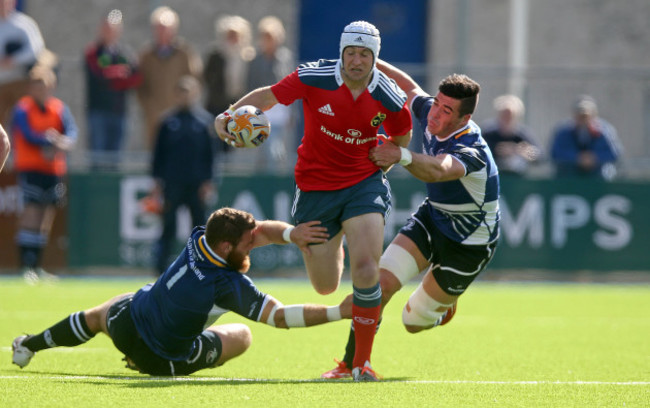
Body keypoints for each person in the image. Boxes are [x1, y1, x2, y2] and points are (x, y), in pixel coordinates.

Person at [215, 21, 413, 381]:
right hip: (315, 188)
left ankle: (360, 363)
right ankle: (334, 240)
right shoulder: (313, 77)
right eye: (351, 53)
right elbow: (267, 96)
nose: (356, 60)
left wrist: (392, 150)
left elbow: (402, 134)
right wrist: (225, 117)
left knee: (368, 269)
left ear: (374, 58)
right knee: (325, 286)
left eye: (364, 54)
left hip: (363, 182)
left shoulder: (389, 95)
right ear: (341, 54)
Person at [12, 207, 351, 376]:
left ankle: (28, 345)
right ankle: (146, 357)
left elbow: (261, 231)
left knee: (103, 312)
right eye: (248, 244)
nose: (254, 244)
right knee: (243, 334)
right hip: (159, 358)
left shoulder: (201, 237)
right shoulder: (226, 285)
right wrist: (340, 311)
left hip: (126, 322)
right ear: (226, 245)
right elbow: (280, 317)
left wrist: (293, 235)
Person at [321, 64, 500, 380]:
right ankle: (352, 365)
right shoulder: (431, 110)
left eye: (446, 111)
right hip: (433, 219)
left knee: (412, 323)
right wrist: (371, 61)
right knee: (377, 287)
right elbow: (408, 86)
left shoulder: (472, 149)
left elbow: (439, 170)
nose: (435, 115)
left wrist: (400, 155)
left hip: (469, 243)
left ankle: (442, 303)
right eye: (437, 104)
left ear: (464, 119)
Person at [10, 66, 77, 282]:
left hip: (53, 170)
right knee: (31, 214)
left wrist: (59, 142)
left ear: (51, 87)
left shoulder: (59, 108)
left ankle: (37, 267)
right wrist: (50, 140)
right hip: (31, 168)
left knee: (45, 219)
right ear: (31, 88)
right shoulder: (22, 109)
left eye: (44, 87)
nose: (40, 91)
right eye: (36, 87)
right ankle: (25, 266)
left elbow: (71, 133)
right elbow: (28, 135)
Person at [150, 75, 216, 275]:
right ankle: (161, 268)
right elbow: (158, 154)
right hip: (173, 183)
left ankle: (204, 266)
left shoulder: (204, 122)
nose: (185, 97)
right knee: (168, 225)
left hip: (196, 184)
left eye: (189, 93)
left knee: (200, 228)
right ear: (176, 95)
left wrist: (209, 181)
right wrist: (156, 180)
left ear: (195, 94)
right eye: (182, 93)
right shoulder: (168, 122)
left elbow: (211, 156)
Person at [137, 6, 202, 149]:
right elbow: (140, 86)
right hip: (154, 116)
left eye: (165, 28)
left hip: (179, 114)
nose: (162, 32)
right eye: (158, 28)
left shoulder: (184, 54)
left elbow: (193, 80)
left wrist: (183, 103)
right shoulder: (146, 55)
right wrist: (149, 107)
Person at [84, 9, 141, 170]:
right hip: (98, 112)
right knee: (98, 158)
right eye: (107, 28)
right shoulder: (93, 52)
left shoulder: (125, 53)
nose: (110, 32)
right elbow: (99, 76)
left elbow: (135, 78)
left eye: (114, 29)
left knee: (115, 160)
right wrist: (119, 73)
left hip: (119, 112)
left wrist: (113, 76)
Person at [203, 15, 255, 167]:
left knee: (237, 141)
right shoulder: (216, 55)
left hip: (239, 106)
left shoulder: (247, 56)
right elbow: (208, 78)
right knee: (217, 140)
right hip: (218, 105)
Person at [246, 16, 295, 173]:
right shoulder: (255, 60)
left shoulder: (285, 58)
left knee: (275, 148)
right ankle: (264, 184)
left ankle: (275, 182)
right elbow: (251, 85)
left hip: (280, 110)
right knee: (264, 148)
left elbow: (292, 85)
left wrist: (292, 112)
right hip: (261, 110)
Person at [550, 95, 622, 180]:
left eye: (586, 116)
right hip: (570, 174)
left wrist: (594, 158)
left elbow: (615, 153)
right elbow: (555, 153)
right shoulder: (564, 131)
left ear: (594, 115)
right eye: (579, 115)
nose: (583, 119)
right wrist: (577, 158)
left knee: (607, 171)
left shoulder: (604, 131)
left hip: (598, 175)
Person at [0, 0, 45, 128]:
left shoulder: (23, 24)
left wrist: (13, 60)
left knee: (21, 121)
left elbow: (36, 49)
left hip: (19, 81)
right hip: (0, 81)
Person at [482, 94, 542, 176]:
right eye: (504, 115)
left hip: (518, 179)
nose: (507, 118)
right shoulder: (488, 133)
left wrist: (519, 151)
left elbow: (540, 157)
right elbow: (479, 153)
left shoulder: (522, 134)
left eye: (510, 115)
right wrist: (497, 150)